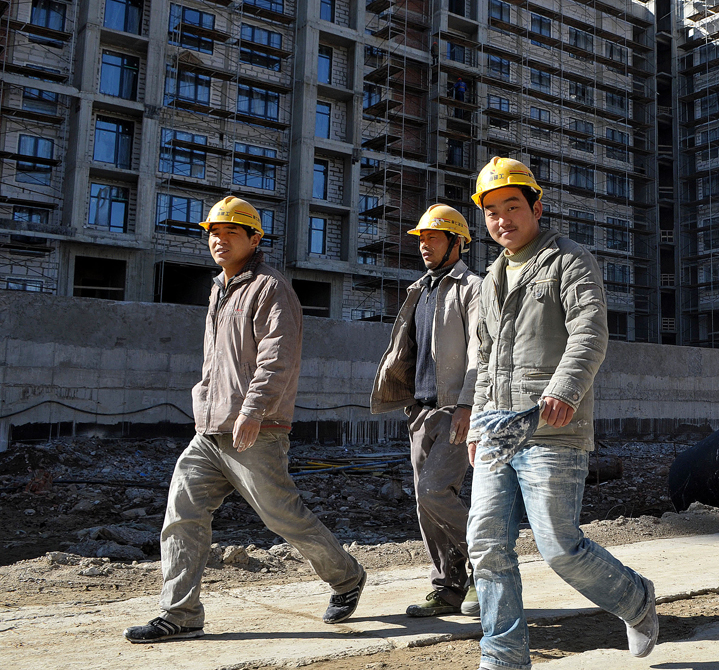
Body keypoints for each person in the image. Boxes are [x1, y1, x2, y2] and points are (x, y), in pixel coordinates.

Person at [447, 157, 658, 670]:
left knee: (559, 545)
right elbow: (482, 355)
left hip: (551, 425)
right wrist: (472, 420)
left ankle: (635, 599)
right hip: (496, 426)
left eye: (512, 207)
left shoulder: (569, 262)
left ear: (536, 207)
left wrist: (564, 389)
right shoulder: (489, 278)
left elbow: (590, 330)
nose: (501, 220)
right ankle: (505, 661)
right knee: (486, 544)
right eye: (491, 211)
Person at [124, 197, 365, 643]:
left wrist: (253, 411)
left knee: (283, 518)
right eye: (213, 232)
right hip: (210, 431)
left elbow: (278, 359)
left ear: (255, 238)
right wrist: (204, 405)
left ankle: (346, 577)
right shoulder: (220, 287)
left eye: (230, 232)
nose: (218, 239)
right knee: (182, 516)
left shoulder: (271, 288)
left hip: (257, 430)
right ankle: (180, 614)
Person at [371, 204, 481, 618]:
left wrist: (468, 403)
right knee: (425, 504)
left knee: (433, 491)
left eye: (432, 237)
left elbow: (480, 351)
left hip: (455, 410)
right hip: (420, 411)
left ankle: (485, 571)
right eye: (420, 238)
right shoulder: (419, 290)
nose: (424, 245)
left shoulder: (472, 288)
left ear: (457, 242)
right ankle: (447, 586)